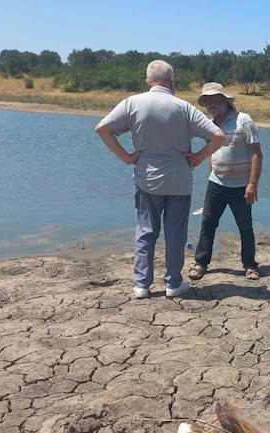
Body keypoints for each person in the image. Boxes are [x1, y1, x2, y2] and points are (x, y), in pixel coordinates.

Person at [95, 60, 225, 299]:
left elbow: (102, 129)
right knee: (176, 234)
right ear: (172, 81)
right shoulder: (184, 108)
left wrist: (126, 157)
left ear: (148, 81)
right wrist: (198, 157)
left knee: (146, 231)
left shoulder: (133, 103)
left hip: (147, 179)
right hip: (179, 180)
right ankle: (173, 283)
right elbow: (217, 136)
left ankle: (142, 285)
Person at [187, 82, 263, 282]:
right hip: (216, 184)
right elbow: (212, 151)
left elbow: (257, 154)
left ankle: (249, 265)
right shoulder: (209, 124)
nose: (209, 103)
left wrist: (252, 184)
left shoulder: (244, 121)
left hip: (241, 186)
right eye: (206, 100)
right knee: (208, 224)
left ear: (225, 100)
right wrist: (211, 171)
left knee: (245, 226)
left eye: (213, 98)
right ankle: (201, 263)